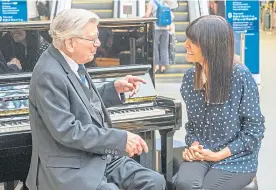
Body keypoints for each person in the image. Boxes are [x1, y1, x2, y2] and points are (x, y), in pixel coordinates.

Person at [26, 9, 166, 190]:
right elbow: (68, 131)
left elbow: (79, 99)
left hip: (95, 156)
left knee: (155, 181)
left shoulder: (71, 60)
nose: (98, 44)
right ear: (70, 42)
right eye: (92, 39)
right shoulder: (48, 73)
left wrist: (113, 89)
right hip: (70, 166)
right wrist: (120, 139)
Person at [174, 15, 265, 190]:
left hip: (236, 158)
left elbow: (254, 130)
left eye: (192, 41)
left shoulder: (240, 76)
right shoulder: (189, 78)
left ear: (211, 46)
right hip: (203, 152)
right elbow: (193, 126)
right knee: (183, 184)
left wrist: (217, 156)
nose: (185, 44)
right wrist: (194, 146)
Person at [144, 0, 170, 73]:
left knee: (155, 47)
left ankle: (156, 65)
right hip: (166, 27)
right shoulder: (165, 2)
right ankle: (163, 66)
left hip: (156, 27)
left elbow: (147, 14)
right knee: (164, 47)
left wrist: (143, 17)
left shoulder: (151, 3)